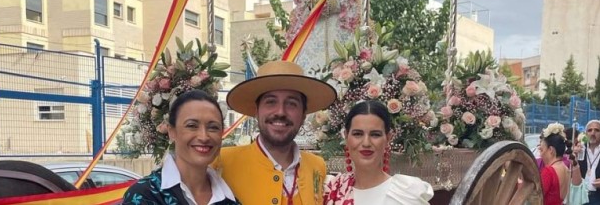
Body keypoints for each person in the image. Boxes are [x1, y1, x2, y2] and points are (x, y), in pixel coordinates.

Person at [216, 60, 337, 205]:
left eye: (291, 103)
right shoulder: (222, 162)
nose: (280, 112)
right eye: (271, 102)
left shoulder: (317, 166)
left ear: (304, 114)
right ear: (256, 111)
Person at [123, 90, 239, 205]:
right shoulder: (145, 195)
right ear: (172, 132)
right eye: (192, 126)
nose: (204, 137)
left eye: (213, 127)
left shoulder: (229, 200)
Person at [324, 100, 434, 205]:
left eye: (375, 134)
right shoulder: (330, 189)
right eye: (358, 134)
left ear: (388, 138)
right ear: (346, 136)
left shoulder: (405, 195)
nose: (366, 143)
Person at [539, 123, 574, 205]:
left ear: (550, 150)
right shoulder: (566, 169)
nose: (540, 154)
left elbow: (535, 197)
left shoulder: (549, 171)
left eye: (541, 150)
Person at [578, 120, 600, 205]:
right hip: (581, 196)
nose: (593, 133)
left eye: (597, 130)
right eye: (589, 130)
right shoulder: (580, 150)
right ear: (586, 133)